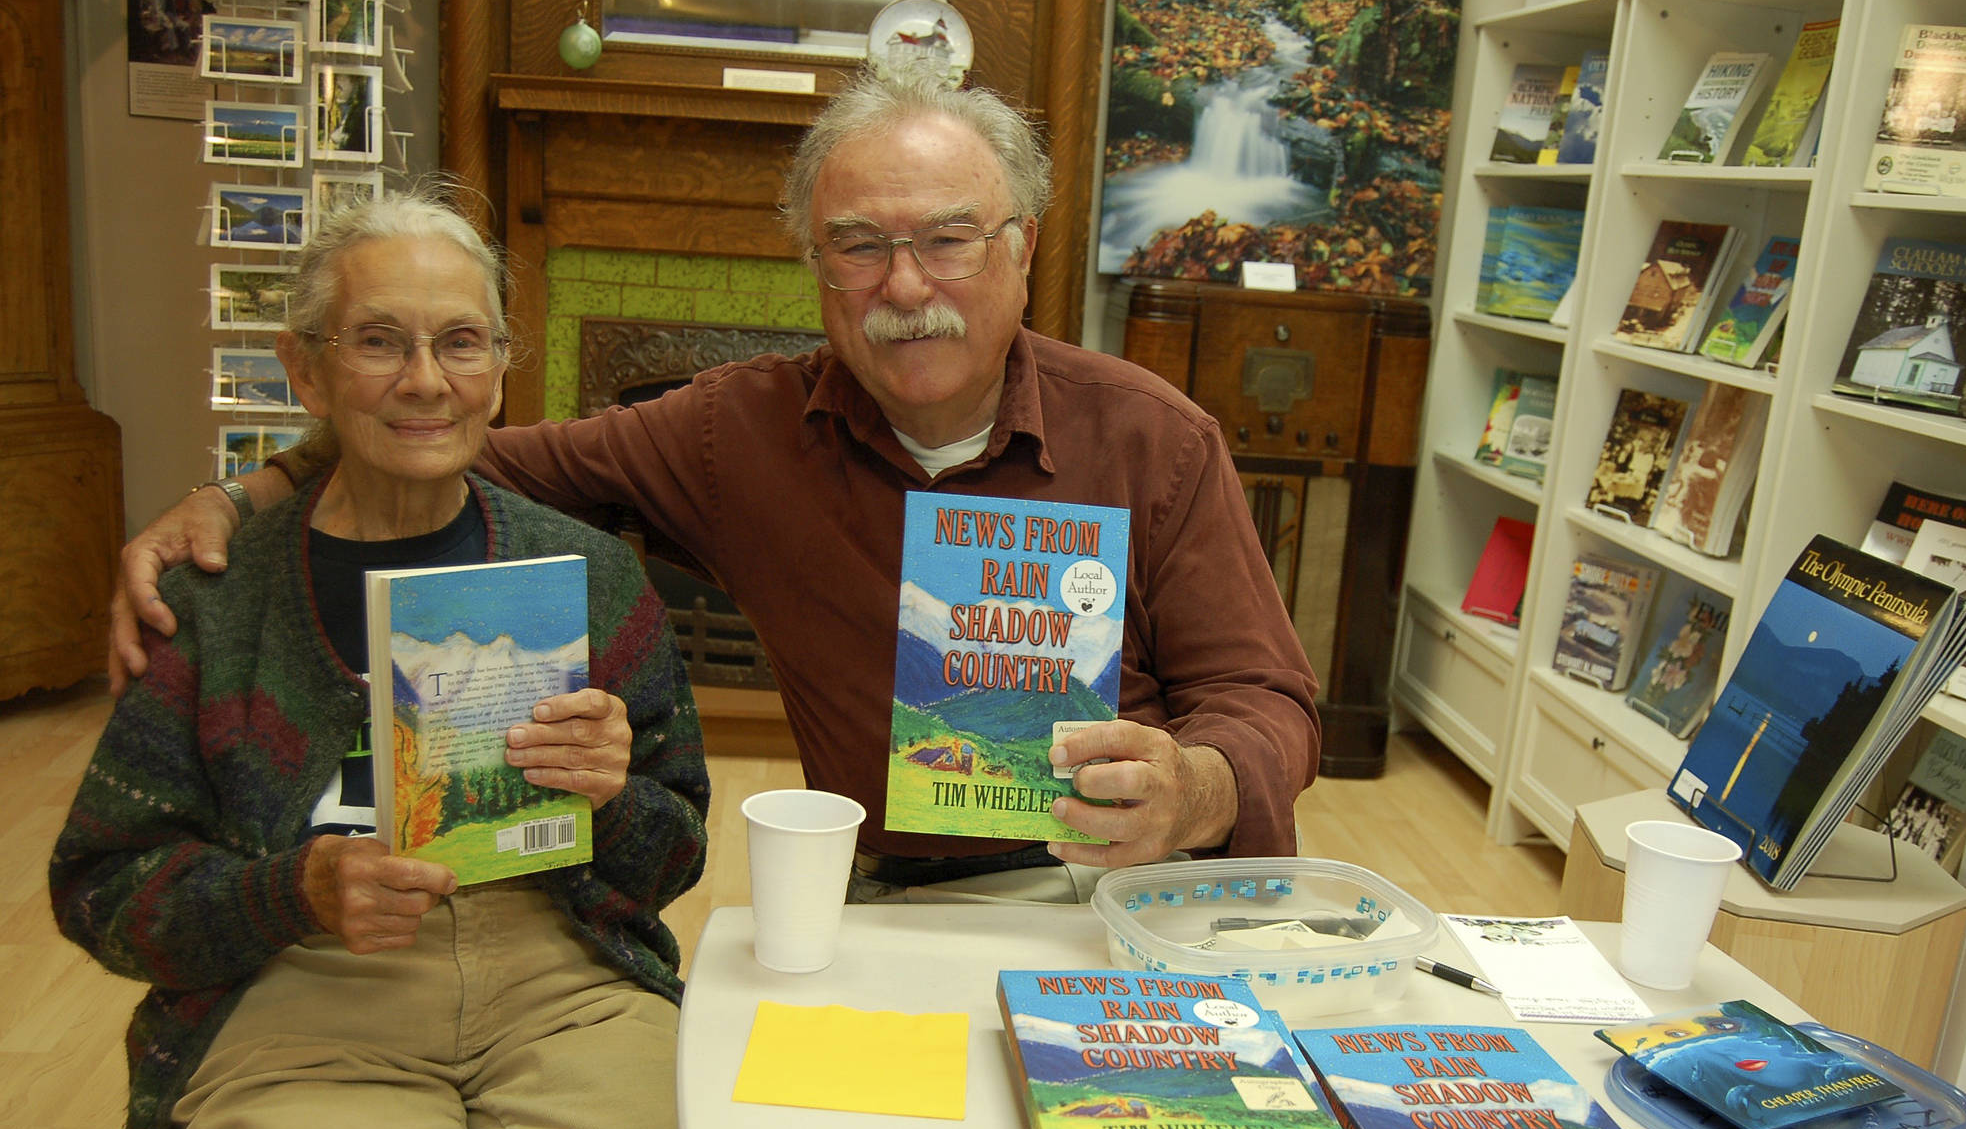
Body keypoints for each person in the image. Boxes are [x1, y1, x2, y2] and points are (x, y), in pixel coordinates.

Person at [110, 73, 1321, 899]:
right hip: (888, 896)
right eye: (858, 245)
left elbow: (1266, 698)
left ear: (1020, 247)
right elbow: (452, 432)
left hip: (1132, 897)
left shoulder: (1153, 440)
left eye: (948, 237)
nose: (906, 285)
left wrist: (1196, 785)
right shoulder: (733, 433)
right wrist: (252, 488)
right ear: (813, 266)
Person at [53, 190, 758, 1129]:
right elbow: (101, 890)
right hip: (302, 1008)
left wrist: (610, 797)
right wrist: (298, 891)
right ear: (306, 372)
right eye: (379, 340)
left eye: (460, 341)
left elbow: (672, 847)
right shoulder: (213, 600)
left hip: (562, 986)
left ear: (497, 368)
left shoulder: (583, 575)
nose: (426, 380)